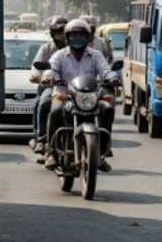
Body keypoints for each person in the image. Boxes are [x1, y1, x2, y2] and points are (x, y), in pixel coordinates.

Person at [41, 19, 117, 172]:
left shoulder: (95, 55)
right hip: (65, 95)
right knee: (55, 111)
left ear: (88, 38)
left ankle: (102, 151)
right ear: (67, 38)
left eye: (81, 36)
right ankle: (51, 152)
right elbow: (51, 69)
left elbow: (105, 70)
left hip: (90, 96)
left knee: (108, 109)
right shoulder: (60, 55)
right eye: (73, 36)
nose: (77, 39)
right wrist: (48, 76)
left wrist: (112, 77)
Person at [28, 16, 67, 155]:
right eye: (58, 32)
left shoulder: (78, 49)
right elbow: (36, 65)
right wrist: (38, 76)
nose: (61, 36)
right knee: (44, 102)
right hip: (51, 86)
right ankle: (42, 138)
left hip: (74, 88)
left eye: (64, 32)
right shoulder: (47, 49)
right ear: (52, 33)